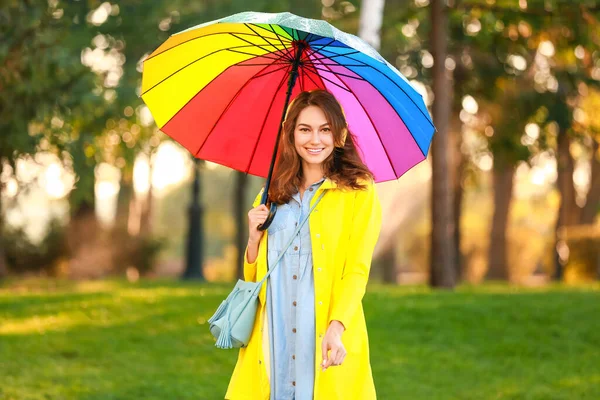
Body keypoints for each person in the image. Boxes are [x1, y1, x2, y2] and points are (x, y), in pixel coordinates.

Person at [225, 89, 382, 400]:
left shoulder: (359, 192)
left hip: (324, 333)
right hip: (273, 335)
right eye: (305, 129)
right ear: (291, 134)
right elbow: (254, 278)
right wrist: (253, 239)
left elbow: (356, 271)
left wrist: (337, 329)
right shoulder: (271, 194)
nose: (315, 139)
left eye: (325, 129)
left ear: (340, 134)